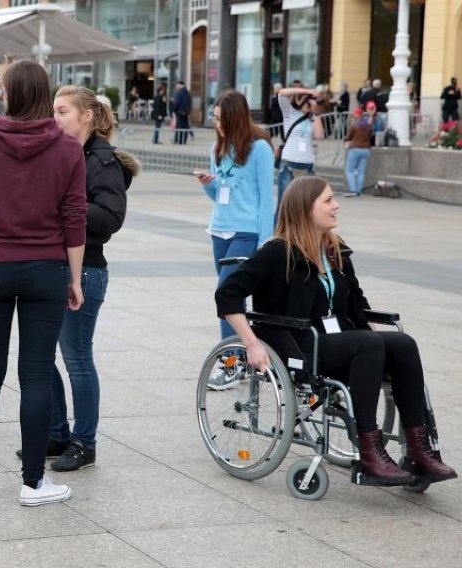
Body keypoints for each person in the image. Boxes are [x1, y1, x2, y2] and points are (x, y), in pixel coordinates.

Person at [215, 176, 457, 486]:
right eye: (328, 200)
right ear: (306, 208)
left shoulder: (335, 251)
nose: (336, 205)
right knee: (368, 344)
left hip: (340, 340)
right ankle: (370, 453)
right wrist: (251, 343)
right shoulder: (279, 252)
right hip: (300, 343)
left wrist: (381, 340)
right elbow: (227, 294)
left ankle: (419, 451)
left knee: (403, 344)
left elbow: (357, 303)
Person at [0, 60, 87, 506]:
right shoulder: (68, 148)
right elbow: (74, 218)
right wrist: (74, 277)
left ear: (9, 94)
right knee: (35, 375)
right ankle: (33, 483)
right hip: (46, 268)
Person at [44, 85, 138, 472]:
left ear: (87, 115)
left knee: (77, 358)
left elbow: (110, 218)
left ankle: (84, 442)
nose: (55, 118)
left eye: (63, 111)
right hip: (50, 267)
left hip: (85, 270)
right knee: (41, 357)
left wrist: (66, 209)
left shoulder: (101, 159)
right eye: (53, 110)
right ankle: (56, 432)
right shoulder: (61, 153)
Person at [194, 90, 274, 388]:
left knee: (226, 292)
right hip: (220, 229)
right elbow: (220, 195)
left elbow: (267, 198)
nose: (218, 125)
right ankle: (242, 356)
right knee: (233, 296)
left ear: (237, 118)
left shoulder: (260, 149)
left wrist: (266, 241)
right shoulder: (218, 147)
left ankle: (231, 363)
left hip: (247, 231)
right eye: (215, 119)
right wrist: (207, 185)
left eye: (222, 119)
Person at [275, 86, 324, 214]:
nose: (309, 104)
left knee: (305, 207)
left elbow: (319, 136)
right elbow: (281, 93)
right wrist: (309, 92)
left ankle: (299, 234)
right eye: (308, 101)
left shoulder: (312, 119)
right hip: (289, 164)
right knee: (284, 204)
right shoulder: (290, 113)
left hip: (307, 165)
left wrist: (317, 113)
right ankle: (278, 233)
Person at [344, 103, 384, 198]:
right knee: (361, 172)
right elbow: (370, 136)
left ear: (356, 115)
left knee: (349, 170)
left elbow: (349, 137)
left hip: (355, 149)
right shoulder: (368, 126)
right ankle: (358, 191)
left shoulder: (354, 125)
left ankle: (353, 190)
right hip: (366, 150)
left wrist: (344, 139)